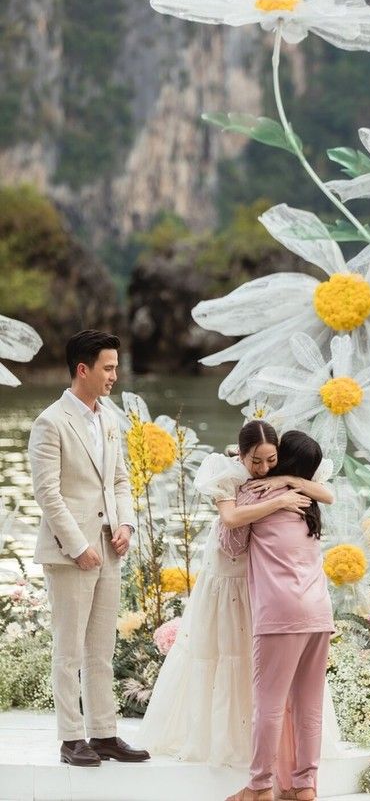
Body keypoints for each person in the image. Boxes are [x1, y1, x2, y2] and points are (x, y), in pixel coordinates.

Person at [136, 420, 338, 775]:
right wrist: (280, 501)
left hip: (264, 578)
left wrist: (284, 482)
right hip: (229, 573)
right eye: (255, 462)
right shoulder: (224, 472)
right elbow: (230, 519)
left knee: (261, 667)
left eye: (270, 460)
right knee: (223, 651)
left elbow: (327, 493)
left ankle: (266, 760)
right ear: (240, 453)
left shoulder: (280, 477)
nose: (262, 468)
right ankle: (228, 742)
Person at [28, 330, 149, 767]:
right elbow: (47, 494)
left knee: (102, 649)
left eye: (116, 367)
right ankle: (70, 738)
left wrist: (126, 525)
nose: (115, 375)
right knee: (69, 649)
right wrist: (77, 546)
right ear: (84, 369)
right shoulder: (50, 422)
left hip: (109, 547)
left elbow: (119, 481)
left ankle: (104, 734)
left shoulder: (109, 420)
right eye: (109, 367)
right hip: (69, 552)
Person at [222, 431, 334, 801]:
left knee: (269, 705)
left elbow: (231, 545)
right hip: (319, 611)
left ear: (281, 458)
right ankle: (305, 786)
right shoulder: (309, 502)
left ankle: (259, 788)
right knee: (309, 705)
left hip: (280, 613)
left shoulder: (256, 495)